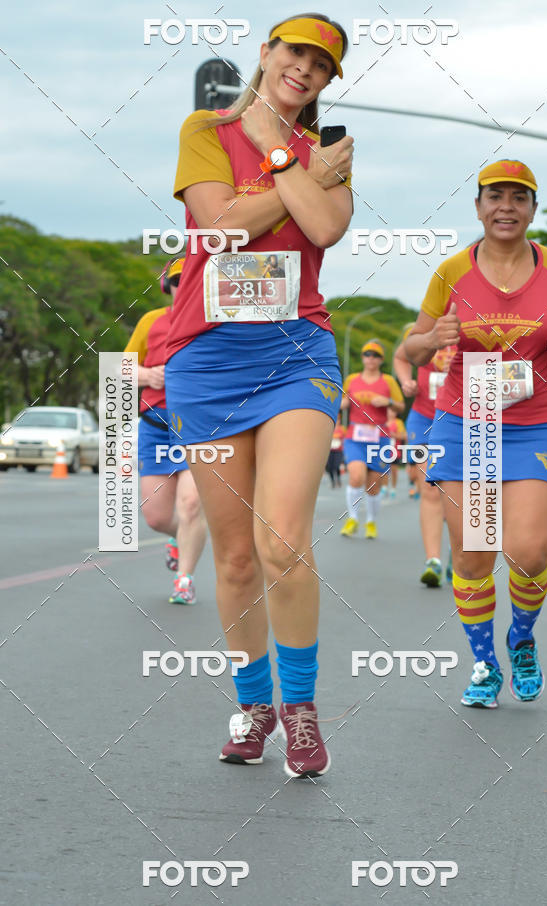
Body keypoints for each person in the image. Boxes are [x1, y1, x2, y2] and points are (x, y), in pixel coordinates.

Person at [164, 14, 353, 777]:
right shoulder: (204, 128)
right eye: (293, 52)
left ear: (328, 82)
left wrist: (285, 161)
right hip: (205, 359)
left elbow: (327, 228)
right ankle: (254, 704)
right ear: (267, 54)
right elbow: (219, 225)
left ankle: (301, 710)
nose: (303, 68)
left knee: (280, 539)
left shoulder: (329, 152)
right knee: (236, 558)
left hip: (295, 356)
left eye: (320, 64)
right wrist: (292, 166)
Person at [404, 159, 547, 708]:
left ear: (533, 209)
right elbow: (413, 347)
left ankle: (522, 637)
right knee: (473, 556)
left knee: (530, 552)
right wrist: (433, 336)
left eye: (519, 197)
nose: (506, 206)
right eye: (495, 197)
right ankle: (485, 664)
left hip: (535, 424)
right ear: (479, 206)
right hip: (467, 422)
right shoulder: (450, 272)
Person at [125, 259, 207, 604]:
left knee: (190, 505)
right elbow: (121, 368)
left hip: (200, 427)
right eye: (176, 281)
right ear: (166, 286)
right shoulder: (151, 320)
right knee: (157, 517)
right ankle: (181, 536)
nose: (182, 287)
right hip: (156, 427)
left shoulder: (217, 321)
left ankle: (184, 580)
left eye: (190, 280)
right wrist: (148, 376)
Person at [395, 323, 457, 586]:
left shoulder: (476, 326)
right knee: (429, 487)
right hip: (423, 419)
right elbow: (401, 356)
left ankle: (459, 555)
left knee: (459, 492)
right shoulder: (423, 330)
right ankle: (433, 560)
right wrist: (406, 381)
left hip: (462, 419)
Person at [339, 340, 404, 539]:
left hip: (379, 438)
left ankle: (371, 522)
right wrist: (339, 403)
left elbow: (400, 406)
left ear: (381, 360)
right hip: (354, 436)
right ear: (362, 357)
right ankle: (352, 518)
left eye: (375, 355)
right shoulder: (351, 379)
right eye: (367, 354)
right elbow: (342, 401)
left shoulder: (388, 381)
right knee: (356, 476)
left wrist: (388, 402)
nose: (371, 358)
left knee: (373, 485)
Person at [380, 408, 407, 499]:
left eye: (392, 411)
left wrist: (394, 435)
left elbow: (404, 436)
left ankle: (393, 488)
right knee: (384, 469)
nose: (390, 412)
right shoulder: (382, 421)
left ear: (395, 413)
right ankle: (384, 487)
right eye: (388, 410)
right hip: (383, 450)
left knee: (394, 470)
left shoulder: (398, 422)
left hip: (395, 451)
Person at [325, 412, 345, 488]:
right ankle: (333, 482)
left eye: (338, 420)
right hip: (330, 450)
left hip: (338, 450)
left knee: (336, 466)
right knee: (330, 467)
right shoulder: (329, 427)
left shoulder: (342, 429)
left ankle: (338, 479)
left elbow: (344, 438)